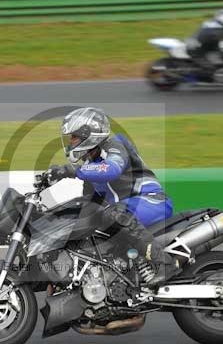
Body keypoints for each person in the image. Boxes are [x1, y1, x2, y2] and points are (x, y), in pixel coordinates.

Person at [45, 107, 180, 287]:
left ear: (89, 135)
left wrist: (72, 171)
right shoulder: (90, 166)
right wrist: (58, 213)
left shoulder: (116, 145)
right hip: (125, 212)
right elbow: (89, 203)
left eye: (74, 136)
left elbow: (111, 169)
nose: (71, 142)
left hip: (152, 201)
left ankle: (165, 263)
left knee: (114, 212)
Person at [188, 9, 223, 76]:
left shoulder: (216, 25)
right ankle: (199, 80)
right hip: (197, 49)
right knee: (210, 69)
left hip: (208, 47)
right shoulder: (214, 28)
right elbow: (218, 36)